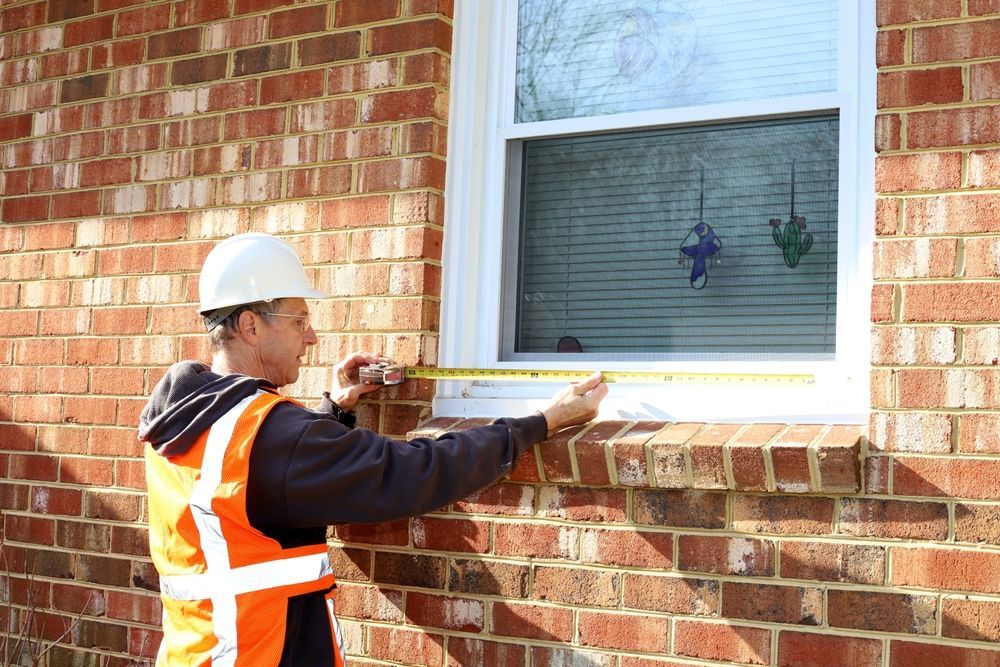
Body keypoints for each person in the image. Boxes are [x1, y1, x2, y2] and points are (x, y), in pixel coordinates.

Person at [139, 233, 608, 666]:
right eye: (299, 320)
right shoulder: (270, 434)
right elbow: (414, 470)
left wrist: (334, 408)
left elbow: (260, 487)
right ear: (249, 325)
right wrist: (541, 422)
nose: (312, 337)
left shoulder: (189, 417)